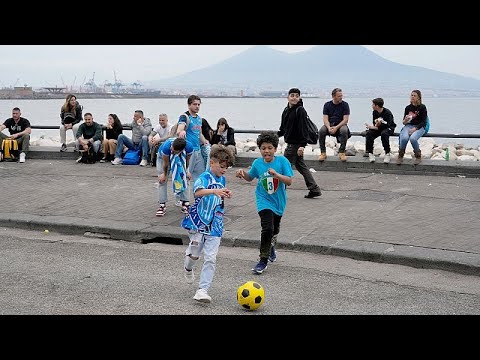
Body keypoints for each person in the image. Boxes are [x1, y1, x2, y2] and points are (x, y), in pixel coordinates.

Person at [182, 144, 235, 303]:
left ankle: (202, 290)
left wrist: (226, 193)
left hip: (216, 224)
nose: (224, 170)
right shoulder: (204, 177)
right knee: (194, 255)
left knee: (211, 258)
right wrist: (214, 191)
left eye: (226, 167)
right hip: (199, 222)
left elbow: (219, 194)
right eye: (221, 166)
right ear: (212, 162)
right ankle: (188, 267)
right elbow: (197, 193)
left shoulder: (222, 178)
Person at [235, 132, 293, 275]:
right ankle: (263, 260)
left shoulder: (282, 162)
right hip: (263, 200)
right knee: (267, 228)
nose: (266, 151)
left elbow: (289, 181)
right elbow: (250, 178)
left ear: (275, 149)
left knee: (275, 229)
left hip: (279, 201)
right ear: (259, 149)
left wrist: (277, 175)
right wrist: (243, 174)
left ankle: (271, 245)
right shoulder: (257, 163)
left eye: (269, 148)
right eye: (263, 148)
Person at [278, 88, 321, 199]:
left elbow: (304, 129)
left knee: (283, 167)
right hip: (291, 144)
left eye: (297, 96)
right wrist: (272, 137)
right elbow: (283, 129)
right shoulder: (286, 110)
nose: (294, 97)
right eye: (292, 95)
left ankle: (279, 192)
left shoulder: (300, 110)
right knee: (301, 166)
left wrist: (302, 145)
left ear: (299, 98)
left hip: (295, 145)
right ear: (288, 97)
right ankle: (314, 189)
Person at [176, 95, 210, 189]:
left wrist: (205, 142)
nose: (197, 106)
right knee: (185, 174)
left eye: (199, 104)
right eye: (195, 104)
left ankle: (199, 196)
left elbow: (199, 134)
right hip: (188, 151)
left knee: (200, 175)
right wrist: (181, 131)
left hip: (198, 151)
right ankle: (181, 198)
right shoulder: (184, 117)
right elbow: (179, 130)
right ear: (189, 105)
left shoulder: (199, 119)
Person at [156, 137, 193, 217]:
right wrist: (164, 175)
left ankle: (185, 203)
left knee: (185, 178)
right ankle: (162, 205)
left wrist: (187, 171)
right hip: (162, 158)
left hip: (180, 157)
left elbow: (187, 161)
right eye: (171, 147)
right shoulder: (167, 147)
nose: (171, 149)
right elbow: (165, 164)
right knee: (162, 181)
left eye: (173, 150)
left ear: (180, 150)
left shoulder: (189, 147)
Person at [318, 88, 351, 162]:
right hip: (330, 124)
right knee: (321, 131)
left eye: (341, 95)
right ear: (333, 96)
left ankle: (342, 152)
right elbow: (325, 118)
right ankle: (323, 152)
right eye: (339, 96)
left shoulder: (345, 105)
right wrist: (329, 127)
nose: (341, 97)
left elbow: (345, 120)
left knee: (344, 130)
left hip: (340, 124)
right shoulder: (327, 105)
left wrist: (336, 127)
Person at [397, 89, 428, 166]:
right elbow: (404, 122)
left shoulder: (422, 107)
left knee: (413, 138)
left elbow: (424, 122)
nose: (412, 97)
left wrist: (415, 128)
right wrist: (406, 120)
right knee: (404, 138)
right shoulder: (408, 108)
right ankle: (400, 155)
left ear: (418, 97)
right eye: (412, 95)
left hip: (420, 127)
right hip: (409, 125)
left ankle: (418, 156)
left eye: (415, 95)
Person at [364, 98, 396, 164]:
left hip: (388, 128)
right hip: (379, 128)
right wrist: (374, 125)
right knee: (369, 133)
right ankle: (370, 153)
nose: (372, 106)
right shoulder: (375, 112)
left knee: (384, 134)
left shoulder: (387, 113)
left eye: (373, 104)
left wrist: (376, 126)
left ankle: (387, 153)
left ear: (377, 106)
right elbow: (374, 123)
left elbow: (388, 124)